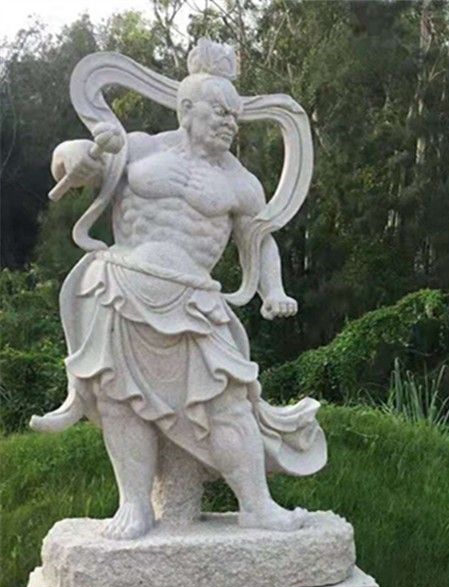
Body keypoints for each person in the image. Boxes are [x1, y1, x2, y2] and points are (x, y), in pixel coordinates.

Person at [32, 40, 325, 537]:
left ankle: (257, 504)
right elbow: (77, 157)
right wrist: (72, 157)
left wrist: (273, 290)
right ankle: (135, 505)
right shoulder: (142, 148)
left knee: (228, 403)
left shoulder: (241, 183)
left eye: (236, 116)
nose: (230, 124)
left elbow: (259, 241)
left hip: (194, 302)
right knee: (120, 399)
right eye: (220, 112)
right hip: (122, 290)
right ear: (187, 109)